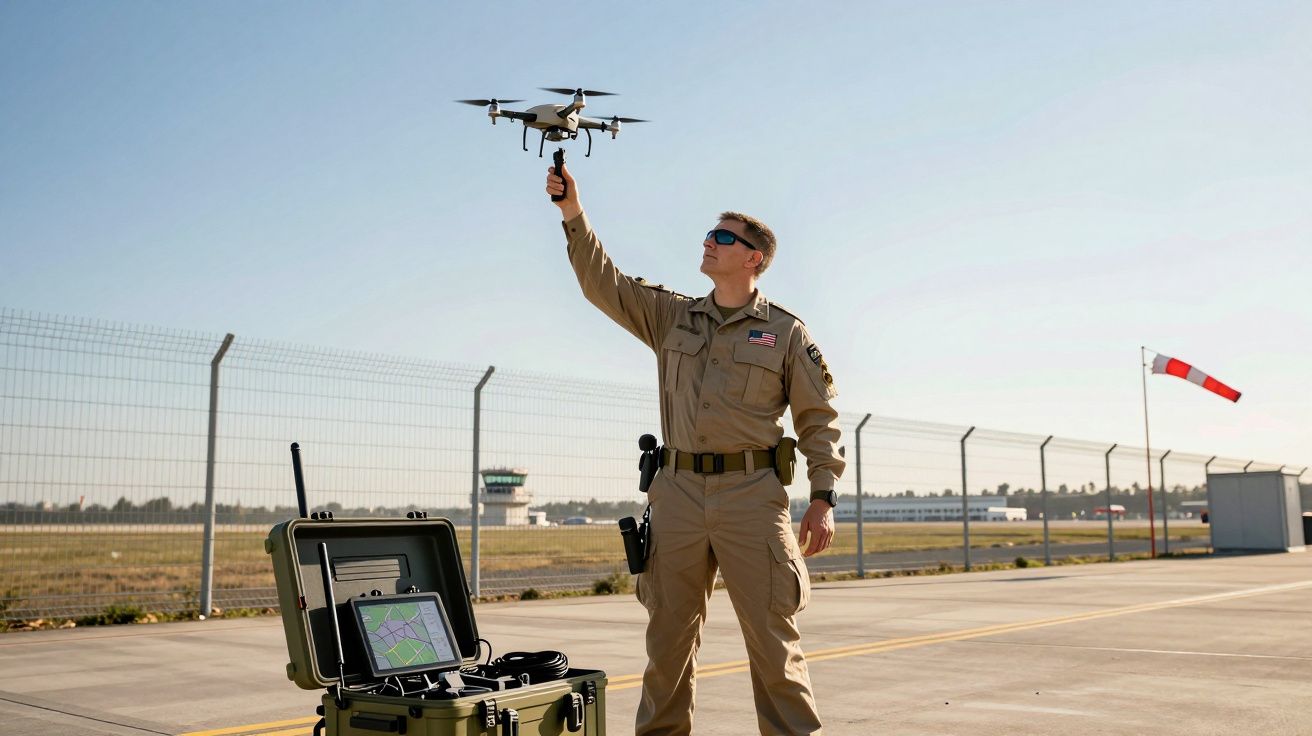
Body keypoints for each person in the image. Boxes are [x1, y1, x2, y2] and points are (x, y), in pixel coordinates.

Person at [546, 163, 844, 736]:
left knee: (775, 649)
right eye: (711, 233)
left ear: (754, 257)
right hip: (677, 492)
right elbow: (601, 283)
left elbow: (818, 418)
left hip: (752, 497)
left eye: (725, 237)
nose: (709, 241)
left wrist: (823, 496)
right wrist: (572, 214)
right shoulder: (672, 315)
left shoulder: (785, 333)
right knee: (667, 649)